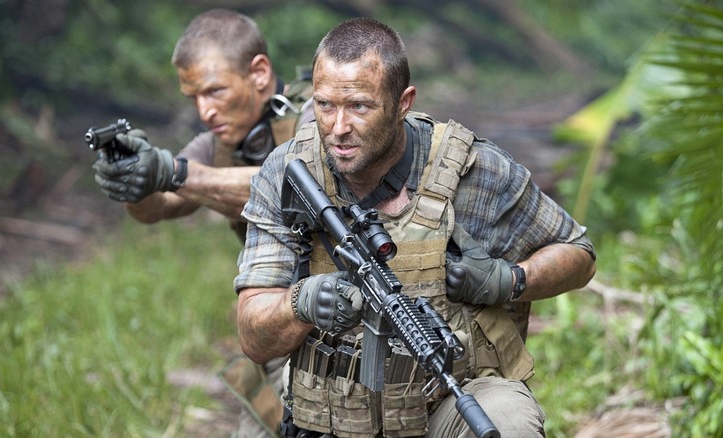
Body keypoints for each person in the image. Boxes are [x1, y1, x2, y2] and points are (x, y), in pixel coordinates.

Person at [235, 17, 596, 437]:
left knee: (507, 425)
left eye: (360, 106)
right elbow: (253, 334)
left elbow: (579, 254)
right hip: (330, 414)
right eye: (325, 105)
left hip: (447, 400)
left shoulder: (474, 171)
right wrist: (300, 302)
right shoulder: (288, 171)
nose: (337, 128)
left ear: (403, 102)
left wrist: (511, 279)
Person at [90, 9, 314, 438]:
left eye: (214, 91)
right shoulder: (219, 143)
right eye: (193, 97)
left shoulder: (318, 114)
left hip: (343, 319)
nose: (204, 110)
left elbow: (293, 187)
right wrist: (132, 179)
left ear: (260, 73)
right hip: (275, 329)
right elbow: (158, 207)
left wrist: (172, 171)